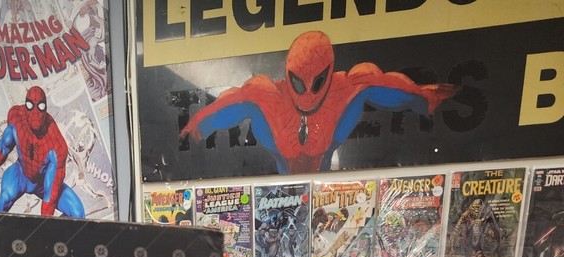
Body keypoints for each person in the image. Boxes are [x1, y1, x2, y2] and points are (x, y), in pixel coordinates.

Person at [181, 31, 456, 174]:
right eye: (300, 83)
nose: (308, 95)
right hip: (285, 165)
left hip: (322, 164)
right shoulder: (266, 94)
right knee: (253, 99)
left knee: (362, 87)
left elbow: (378, 81)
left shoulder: (348, 86)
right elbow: (237, 99)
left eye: (316, 83)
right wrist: (196, 127)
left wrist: (423, 96)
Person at [0, 85, 85, 217]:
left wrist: (43, 225)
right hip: (21, 173)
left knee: (78, 213)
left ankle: (56, 230)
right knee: (5, 199)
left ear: (45, 108)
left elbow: (50, 194)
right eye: (30, 106)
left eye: (40, 107)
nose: (35, 113)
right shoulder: (17, 118)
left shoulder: (56, 145)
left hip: (43, 182)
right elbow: (4, 146)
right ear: (26, 105)